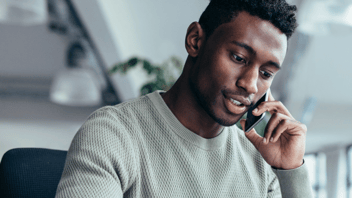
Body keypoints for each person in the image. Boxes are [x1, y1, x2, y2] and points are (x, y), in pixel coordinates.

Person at [56, 0, 313, 197]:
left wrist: (291, 172)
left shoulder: (258, 161)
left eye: (266, 73)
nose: (250, 84)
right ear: (195, 40)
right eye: (238, 58)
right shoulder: (113, 134)